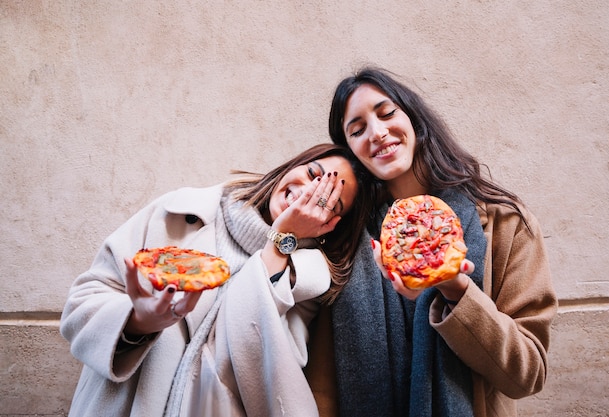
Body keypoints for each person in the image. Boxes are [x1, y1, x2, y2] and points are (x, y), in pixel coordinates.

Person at [305, 67, 558, 417]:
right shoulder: (346, 239)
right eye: (357, 130)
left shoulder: (504, 224)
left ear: (413, 118)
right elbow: (323, 384)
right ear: (351, 151)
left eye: (386, 113)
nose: (377, 133)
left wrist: (454, 289)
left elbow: (527, 373)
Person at [60, 143, 375, 417]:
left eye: (327, 200)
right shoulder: (180, 213)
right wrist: (139, 322)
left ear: (331, 224)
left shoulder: (304, 281)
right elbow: (79, 307)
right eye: (312, 175)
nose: (309, 192)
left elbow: (264, 374)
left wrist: (282, 239)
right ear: (290, 167)